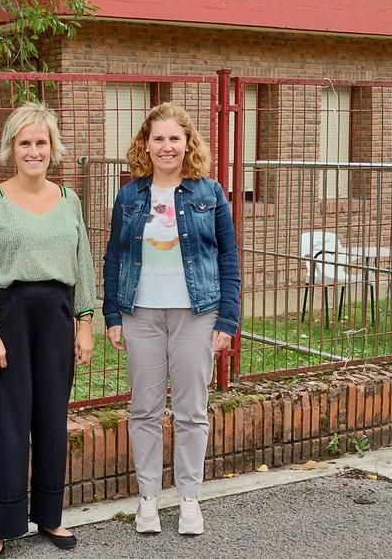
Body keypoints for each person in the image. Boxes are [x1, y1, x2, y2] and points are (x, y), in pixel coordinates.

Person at [102, 102, 240, 536]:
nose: (166, 147)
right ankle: (147, 499)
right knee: (143, 408)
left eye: (174, 138)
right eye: (157, 138)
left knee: (190, 410)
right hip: (139, 312)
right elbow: (114, 256)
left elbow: (229, 258)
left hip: (196, 313)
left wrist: (227, 319)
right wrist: (111, 312)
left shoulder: (209, 192)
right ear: (146, 143)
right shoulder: (129, 195)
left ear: (187, 143)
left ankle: (189, 499)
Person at [0, 102, 96, 558]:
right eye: (25, 142)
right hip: (11, 317)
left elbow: (82, 262)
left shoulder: (69, 200)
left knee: (51, 419)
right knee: (6, 422)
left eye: (42, 142)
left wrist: (85, 323)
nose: (34, 150)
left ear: (53, 148)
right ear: (11, 148)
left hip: (57, 317)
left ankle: (50, 516)